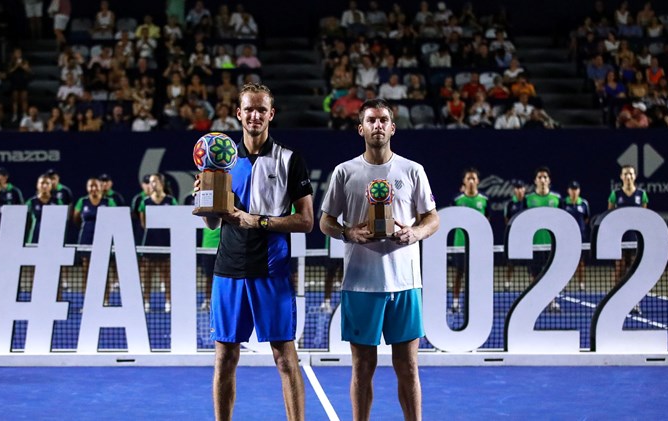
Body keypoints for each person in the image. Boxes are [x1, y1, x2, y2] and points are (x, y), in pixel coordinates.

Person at [196, 83, 312, 421]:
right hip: (228, 270)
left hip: (272, 271)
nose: (255, 115)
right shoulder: (221, 162)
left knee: (284, 358)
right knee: (225, 358)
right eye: (249, 109)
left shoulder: (291, 160)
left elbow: (306, 221)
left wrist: (257, 222)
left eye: (262, 109)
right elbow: (212, 226)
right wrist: (204, 200)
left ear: (271, 114)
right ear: (239, 114)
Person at [320, 98, 440, 421]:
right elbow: (325, 221)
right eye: (371, 120)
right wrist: (348, 233)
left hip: (404, 283)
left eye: (383, 120)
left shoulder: (413, 171)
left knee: (408, 365)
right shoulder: (344, 172)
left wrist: (414, 233)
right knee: (362, 367)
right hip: (361, 284)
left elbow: (432, 219)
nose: (377, 125)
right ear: (361, 128)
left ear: (392, 127)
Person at [608, 165, 648, 314]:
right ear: (621, 176)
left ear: (635, 176)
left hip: (635, 238)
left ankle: (634, 301)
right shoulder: (615, 194)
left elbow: (644, 217)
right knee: (619, 269)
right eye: (625, 174)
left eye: (631, 174)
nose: (628, 177)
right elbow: (610, 216)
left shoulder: (641, 194)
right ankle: (616, 300)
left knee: (634, 270)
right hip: (619, 238)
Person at [451, 168, 489, 313]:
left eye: (474, 178)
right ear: (464, 181)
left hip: (477, 246)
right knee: (459, 274)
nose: (471, 181)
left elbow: (486, 222)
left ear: (478, 181)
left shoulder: (484, 201)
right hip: (460, 244)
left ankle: (476, 302)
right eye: (469, 178)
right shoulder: (457, 200)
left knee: (477, 275)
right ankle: (455, 302)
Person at [138, 173, 178, 313]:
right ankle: (146, 302)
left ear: (161, 182)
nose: (152, 184)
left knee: (167, 276)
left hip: (166, 243)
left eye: (154, 181)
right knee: (147, 276)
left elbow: (175, 220)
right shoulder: (145, 202)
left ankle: (168, 302)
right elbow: (143, 223)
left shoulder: (170, 200)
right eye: (150, 182)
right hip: (150, 243)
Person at [525, 167, 562, 311]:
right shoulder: (528, 199)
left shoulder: (556, 199)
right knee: (535, 275)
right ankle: (535, 302)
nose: (542, 180)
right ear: (535, 181)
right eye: (539, 177)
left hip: (551, 244)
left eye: (545, 177)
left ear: (549, 180)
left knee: (551, 274)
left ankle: (552, 301)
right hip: (534, 244)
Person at [73, 177, 115, 299]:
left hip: (103, 239)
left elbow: (115, 218)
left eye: (96, 186)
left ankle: (105, 299)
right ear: (87, 188)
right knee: (87, 270)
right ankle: (88, 300)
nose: (93, 188)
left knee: (104, 270)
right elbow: (75, 218)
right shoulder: (82, 201)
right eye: (91, 186)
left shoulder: (109, 202)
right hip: (86, 238)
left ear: (101, 187)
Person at [562, 181, 591, 292]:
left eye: (576, 189)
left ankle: (581, 284)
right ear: (568, 191)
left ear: (579, 190)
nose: (574, 191)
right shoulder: (564, 203)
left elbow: (586, 219)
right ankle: (563, 284)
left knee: (580, 262)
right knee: (565, 261)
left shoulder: (583, 203)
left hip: (581, 237)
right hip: (566, 238)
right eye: (572, 189)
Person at [503, 180, 526, 291]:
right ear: (514, 190)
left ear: (524, 189)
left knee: (531, 263)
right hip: (514, 237)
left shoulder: (527, 202)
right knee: (511, 262)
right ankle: (508, 282)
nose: (519, 190)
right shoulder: (510, 204)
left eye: (521, 188)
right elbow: (507, 219)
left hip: (527, 236)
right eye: (517, 188)